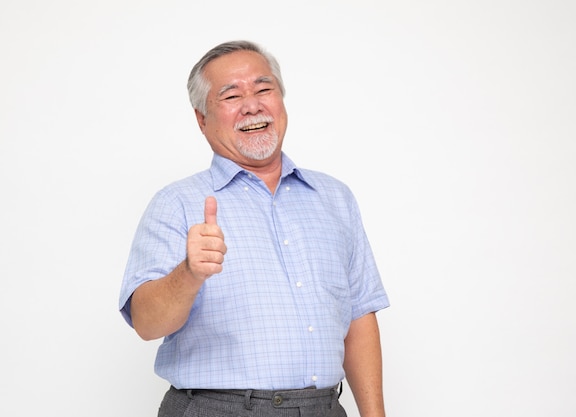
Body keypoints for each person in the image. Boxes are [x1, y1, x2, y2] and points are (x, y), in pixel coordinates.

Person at [119, 40, 390, 417]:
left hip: (324, 408)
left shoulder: (335, 198)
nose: (252, 104)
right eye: (230, 96)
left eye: (264, 89)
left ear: (281, 100)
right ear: (201, 118)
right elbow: (146, 324)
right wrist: (190, 272)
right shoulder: (176, 203)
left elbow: (359, 318)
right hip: (218, 409)